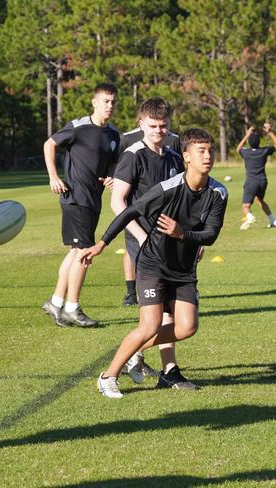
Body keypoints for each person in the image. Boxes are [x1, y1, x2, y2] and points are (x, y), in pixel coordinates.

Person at [80, 128, 228, 398]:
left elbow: (211, 234)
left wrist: (182, 234)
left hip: (183, 269)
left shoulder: (219, 192)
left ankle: (136, 350)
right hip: (153, 264)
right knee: (150, 325)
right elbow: (131, 211)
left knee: (187, 327)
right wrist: (101, 243)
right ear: (187, 157)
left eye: (210, 151)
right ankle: (108, 376)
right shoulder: (169, 188)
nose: (208, 156)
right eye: (201, 151)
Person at [111, 98, 198, 390]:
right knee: (156, 312)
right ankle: (141, 362)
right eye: (152, 126)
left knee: (172, 311)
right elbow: (117, 201)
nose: (159, 131)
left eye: (163, 126)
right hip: (144, 243)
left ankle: (167, 369)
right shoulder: (133, 156)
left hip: (172, 245)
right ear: (141, 125)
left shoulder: (174, 157)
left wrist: (192, 239)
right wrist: (140, 234)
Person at [42, 83, 120, 327]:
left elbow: (111, 167)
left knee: (76, 252)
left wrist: (111, 177)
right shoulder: (78, 127)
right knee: (85, 252)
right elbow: (49, 144)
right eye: (105, 101)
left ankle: (55, 302)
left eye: (113, 102)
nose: (110, 106)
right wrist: (54, 176)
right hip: (76, 198)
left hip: (92, 200)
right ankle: (72, 307)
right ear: (94, 102)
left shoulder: (113, 135)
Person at [237, 123, 276, 230]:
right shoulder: (264, 151)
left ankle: (250, 217)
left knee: (246, 206)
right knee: (260, 200)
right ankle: (273, 221)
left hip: (251, 182)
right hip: (262, 181)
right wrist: (269, 132)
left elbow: (238, 148)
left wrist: (247, 135)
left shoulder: (246, 152)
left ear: (250, 142)